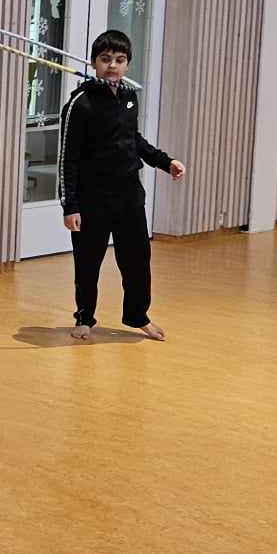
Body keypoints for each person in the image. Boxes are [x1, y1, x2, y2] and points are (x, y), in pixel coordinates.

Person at [59, 30, 185, 341]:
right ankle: (84, 318)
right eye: (105, 59)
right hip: (92, 199)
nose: (112, 65)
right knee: (88, 262)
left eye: (119, 59)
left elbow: (133, 140)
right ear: (94, 63)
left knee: (137, 260)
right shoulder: (80, 104)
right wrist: (70, 206)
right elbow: (67, 159)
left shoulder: (129, 97)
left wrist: (165, 162)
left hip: (129, 195)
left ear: (127, 64)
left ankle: (138, 315)